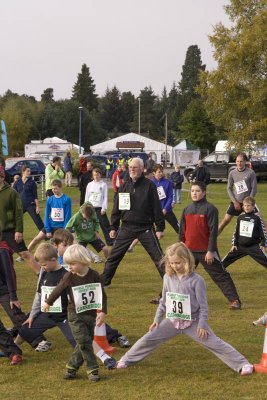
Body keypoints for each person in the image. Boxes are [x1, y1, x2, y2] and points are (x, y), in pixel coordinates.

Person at [116, 242, 254, 376]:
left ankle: (243, 364)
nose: (175, 266)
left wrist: (202, 324)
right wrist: (157, 320)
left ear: (187, 260)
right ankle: (125, 360)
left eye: (178, 263)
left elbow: (204, 306)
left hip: (193, 322)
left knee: (215, 343)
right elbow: (164, 301)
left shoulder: (197, 280)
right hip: (172, 320)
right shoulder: (167, 277)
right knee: (148, 339)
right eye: (172, 263)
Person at [44, 244, 107, 382]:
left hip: (91, 315)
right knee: (84, 341)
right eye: (68, 264)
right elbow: (58, 289)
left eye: (72, 264)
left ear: (83, 261)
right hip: (75, 315)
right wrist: (48, 301)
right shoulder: (68, 276)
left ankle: (71, 367)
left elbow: (102, 295)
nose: (69, 267)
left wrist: (102, 312)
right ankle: (93, 369)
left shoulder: (94, 275)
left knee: (84, 342)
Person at [101, 158, 165, 292]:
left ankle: (171, 285)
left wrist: (160, 227)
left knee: (159, 258)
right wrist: (113, 226)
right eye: (130, 167)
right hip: (126, 228)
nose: (132, 169)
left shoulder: (149, 185)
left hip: (145, 228)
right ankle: (104, 282)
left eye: (135, 167)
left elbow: (156, 207)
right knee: (114, 257)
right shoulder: (124, 185)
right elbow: (117, 207)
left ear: (142, 169)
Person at [180, 181, 242, 310]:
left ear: (204, 192)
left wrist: (210, 251)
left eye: (197, 191)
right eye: (192, 191)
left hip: (206, 251)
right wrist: (181, 246)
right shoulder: (186, 209)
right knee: (181, 275)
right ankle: (168, 298)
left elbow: (213, 232)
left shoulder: (211, 209)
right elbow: (182, 230)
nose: (194, 193)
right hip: (189, 250)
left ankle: (235, 300)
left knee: (220, 275)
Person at [222, 196, 267, 270]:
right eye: (245, 205)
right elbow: (236, 232)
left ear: (253, 207)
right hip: (240, 246)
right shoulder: (240, 217)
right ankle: (219, 270)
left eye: (249, 205)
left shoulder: (257, 218)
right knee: (226, 260)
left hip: (253, 247)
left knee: (265, 260)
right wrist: (234, 244)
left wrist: (263, 244)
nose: (246, 207)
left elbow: (263, 232)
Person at [27, 179, 71, 252]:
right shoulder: (50, 200)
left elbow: (67, 215)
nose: (53, 190)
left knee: (63, 245)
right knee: (36, 239)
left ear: (60, 188)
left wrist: (65, 229)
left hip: (61, 227)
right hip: (51, 226)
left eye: (56, 189)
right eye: (52, 189)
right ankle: (25, 255)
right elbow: (47, 215)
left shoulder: (66, 199)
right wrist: (48, 230)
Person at [218, 153, 257, 234]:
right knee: (225, 221)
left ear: (245, 162)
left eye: (241, 161)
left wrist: (248, 203)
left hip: (248, 202)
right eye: (237, 161)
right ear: (235, 161)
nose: (239, 163)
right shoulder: (232, 173)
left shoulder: (251, 172)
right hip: (236, 202)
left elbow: (254, 188)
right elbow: (229, 188)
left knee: (261, 221)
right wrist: (235, 202)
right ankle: (211, 240)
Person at [0, 225, 28, 330]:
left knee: (17, 316)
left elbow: (9, 274)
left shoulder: (2, 250)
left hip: (4, 291)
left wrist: (13, 296)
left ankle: (39, 340)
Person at [0, 165, 28, 256]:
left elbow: (18, 212)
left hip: (10, 230)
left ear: (2, 177)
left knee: (24, 254)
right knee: (4, 255)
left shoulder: (12, 193)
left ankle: (41, 270)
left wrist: (19, 230)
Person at [13, 165, 44, 243]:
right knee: (15, 219)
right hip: (20, 206)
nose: (29, 173)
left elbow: (35, 195)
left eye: (29, 171)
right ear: (23, 172)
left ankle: (45, 235)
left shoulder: (32, 182)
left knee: (38, 221)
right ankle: (14, 234)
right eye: (28, 171)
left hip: (30, 204)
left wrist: (37, 206)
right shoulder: (17, 182)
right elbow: (14, 195)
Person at [84, 168, 113, 246]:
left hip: (99, 209)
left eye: (97, 174)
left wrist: (104, 208)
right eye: (94, 175)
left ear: (100, 175)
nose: (96, 176)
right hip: (90, 208)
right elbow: (87, 196)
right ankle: (89, 240)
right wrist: (85, 207)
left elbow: (105, 197)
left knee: (105, 225)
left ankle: (110, 241)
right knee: (89, 225)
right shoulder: (89, 184)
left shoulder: (103, 185)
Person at [152, 164, 179, 235]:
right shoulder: (150, 183)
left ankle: (186, 243)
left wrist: (165, 209)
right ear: (154, 173)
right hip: (155, 212)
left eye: (162, 171)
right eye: (159, 172)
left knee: (178, 228)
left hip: (167, 210)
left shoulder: (168, 182)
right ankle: (131, 245)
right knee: (148, 229)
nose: (161, 173)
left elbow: (170, 197)